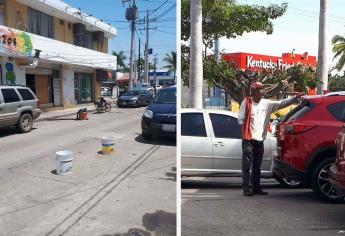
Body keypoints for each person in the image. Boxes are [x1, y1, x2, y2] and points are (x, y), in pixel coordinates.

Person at [238, 82, 304, 197]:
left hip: (259, 139)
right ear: (254, 92)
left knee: (257, 166)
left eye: (262, 90)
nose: (262, 92)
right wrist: (245, 131)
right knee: (247, 165)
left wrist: (294, 99)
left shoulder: (266, 104)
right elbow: (240, 119)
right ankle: (246, 188)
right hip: (248, 139)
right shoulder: (246, 102)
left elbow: (281, 103)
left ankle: (256, 188)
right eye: (260, 90)